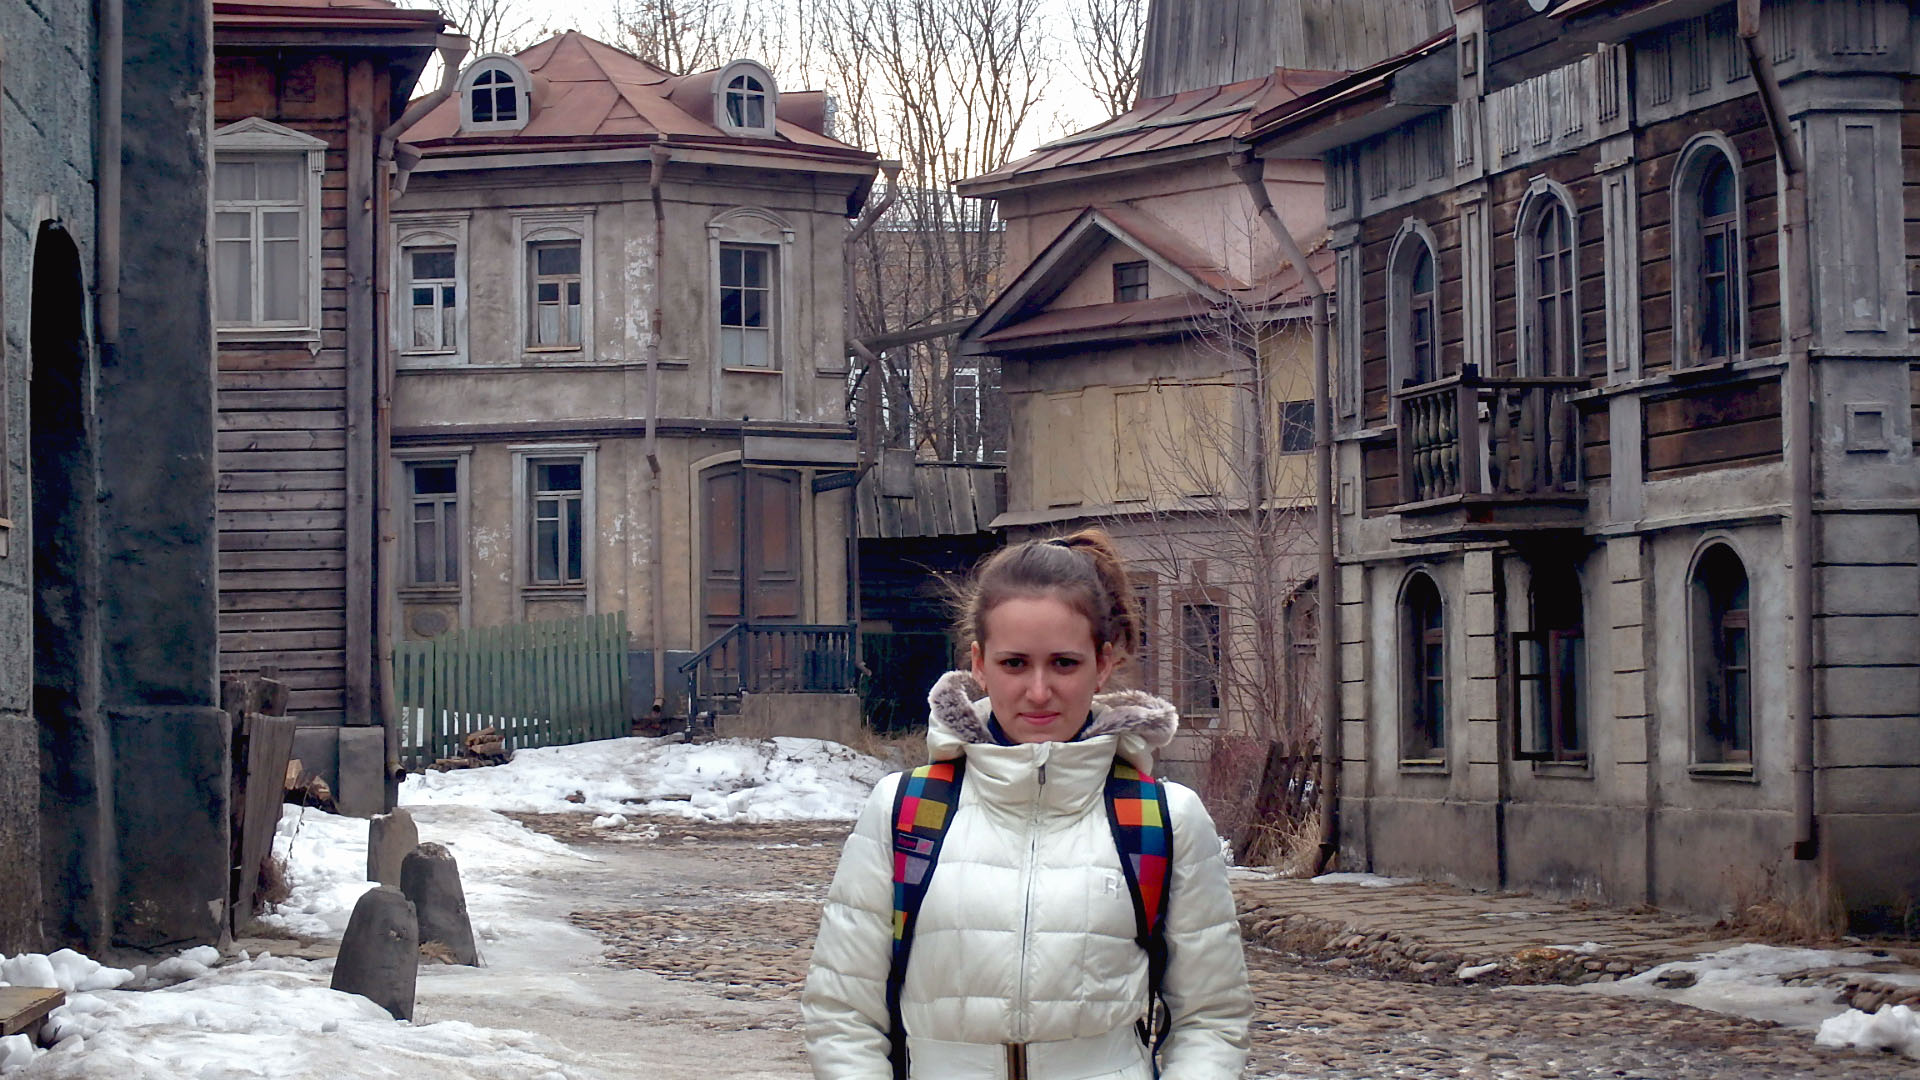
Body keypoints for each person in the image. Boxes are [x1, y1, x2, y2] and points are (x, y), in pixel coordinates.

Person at [802, 529, 1252, 1080]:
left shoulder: (1162, 820)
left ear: (1102, 663)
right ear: (979, 663)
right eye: (1015, 663)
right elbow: (843, 1014)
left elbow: (1212, 1018)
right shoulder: (905, 810)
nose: (1039, 691)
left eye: (1063, 663)